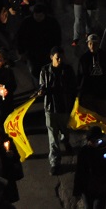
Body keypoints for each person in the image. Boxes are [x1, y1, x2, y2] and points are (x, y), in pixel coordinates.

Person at [38, 46, 77, 175]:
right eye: (57, 58)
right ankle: (55, 162)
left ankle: (65, 141)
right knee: (52, 138)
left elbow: (72, 87)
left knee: (65, 131)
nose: (60, 60)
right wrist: (42, 91)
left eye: (61, 57)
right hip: (50, 108)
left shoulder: (68, 70)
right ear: (51, 57)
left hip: (64, 107)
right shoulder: (44, 70)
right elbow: (42, 85)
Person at [17, 3, 62, 85]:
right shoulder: (27, 22)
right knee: (35, 73)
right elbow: (19, 37)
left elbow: (57, 38)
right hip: (32, 54)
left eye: (40, 16)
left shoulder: (51, 22)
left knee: (50, 72)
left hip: (47, 53)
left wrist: (56, 52)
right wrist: (21, 52)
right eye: (36, 15)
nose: (38, 18)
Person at [73, 126, 106, 209]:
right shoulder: (84, 151)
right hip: (87, 187)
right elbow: (79, 171)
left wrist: (104, 164)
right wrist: (76, 191)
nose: (96, 142)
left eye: (98, 140)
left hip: (102, 186)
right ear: (88, 140)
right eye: (93, 140)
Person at [76, 34, 106, 115]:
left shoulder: (105, 57)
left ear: (99, 44)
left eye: (95, 44)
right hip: (88, 92)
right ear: (88, 44)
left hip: (102, 92)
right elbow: (80, 75)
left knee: (102, 116)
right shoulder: (84, 59)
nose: (92, 46)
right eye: (90, 43)